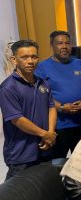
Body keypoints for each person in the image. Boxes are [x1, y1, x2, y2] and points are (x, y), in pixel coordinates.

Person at [0, 40, 56, 179]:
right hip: (21, 155)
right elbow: (17, 119)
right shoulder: (8, 87)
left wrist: (50, 133)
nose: (30, 61)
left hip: (44, 147)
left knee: (43, 187)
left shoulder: (43, 82)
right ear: (14, 60)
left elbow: (51, 107)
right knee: (16, 191)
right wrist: (45, 134)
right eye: (24, 57)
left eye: (34, 56)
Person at [35, 31, 81, 159]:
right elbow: (40, 95)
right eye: (59, 43)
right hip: (58, 126)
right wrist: (61, 107)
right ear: (51, 45)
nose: (64, 46)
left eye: (67, 43)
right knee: (57, 163)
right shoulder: (42, 67)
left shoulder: (80, 64)